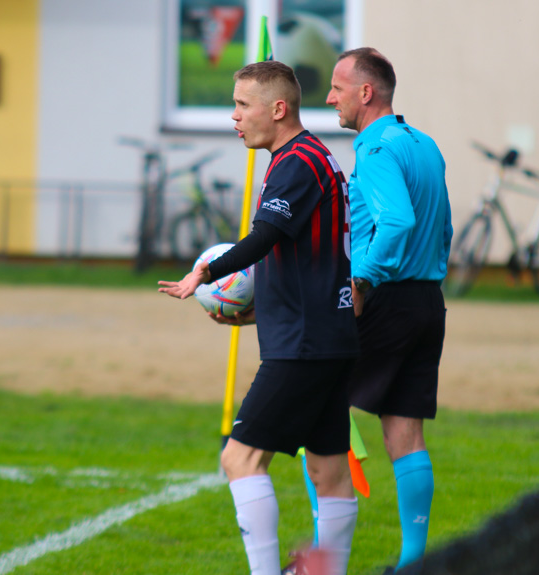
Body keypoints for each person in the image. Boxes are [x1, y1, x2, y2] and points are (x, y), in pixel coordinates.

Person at [158, 60, 359, 575]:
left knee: (240, 459)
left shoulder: (296, 161)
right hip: (330, 337)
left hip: (303, 347)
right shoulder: (316, 157)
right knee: (328, 469)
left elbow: (265, 238)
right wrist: (252, 310)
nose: (234, 116)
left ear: (278, 108)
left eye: (243, 105)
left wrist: (207, 271)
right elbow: (303, 261)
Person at [325, 47, 453, 574]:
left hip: (388, 298)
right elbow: (441, 226)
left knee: (317, 408)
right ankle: (412, 562)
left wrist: (361, 280)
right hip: (428, 301)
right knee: (405, 430)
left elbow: (395, 223)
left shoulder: (375, 151)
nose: (330, 97)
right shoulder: (424, 145)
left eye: (337, 87)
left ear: (366, 92)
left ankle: (323, 556)